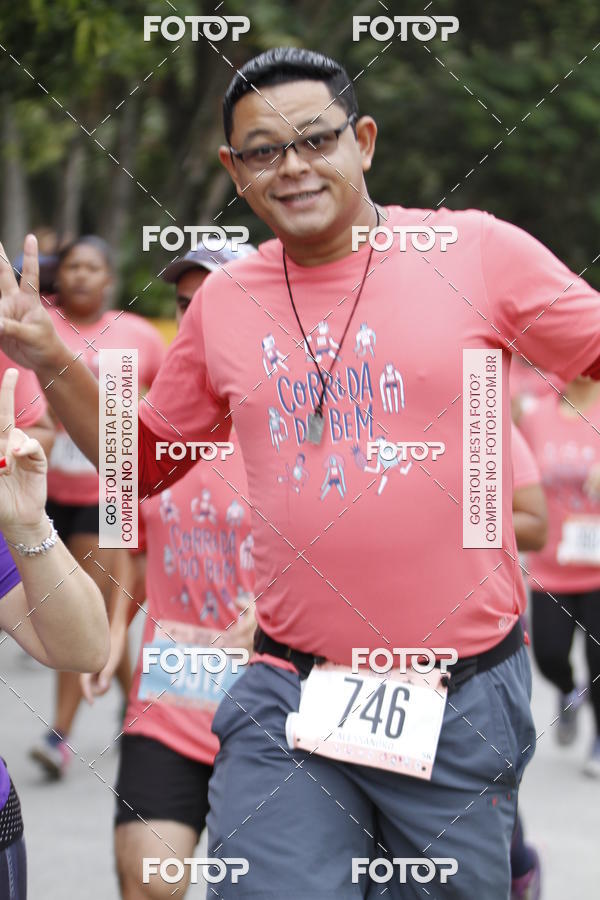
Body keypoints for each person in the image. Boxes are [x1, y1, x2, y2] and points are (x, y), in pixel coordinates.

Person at [4, 46, 600, 897]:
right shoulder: (226, 301)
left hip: (455, 700)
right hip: (289, 690)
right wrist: (48, 352)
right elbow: (140, 461)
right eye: (262, 151)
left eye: (315, 140)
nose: (292, 168)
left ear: (362, 139)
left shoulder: (475, 253)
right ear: (233, 170)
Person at [80, 242, 257, 900]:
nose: (196, 322)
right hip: (170, 702)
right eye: (185, 307)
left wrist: (273, 615)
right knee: (147, 882)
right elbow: (132, 553)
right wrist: (107, 632)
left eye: (215, 304)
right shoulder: (141, 432)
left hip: (276, 709)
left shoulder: (299, 424)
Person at [29, 236, 166, 779]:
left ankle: (58, 733)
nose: (81, 276)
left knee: (78, 607)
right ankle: (132, 706)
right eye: (72, 267)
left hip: (111, 494)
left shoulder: (138, 336)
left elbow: (163, 408)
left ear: (110, 278)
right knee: (104, 617)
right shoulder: (39, 328)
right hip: (43, 495)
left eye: (92, 267)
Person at [0, 366, 109, 899]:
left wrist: (28, 525)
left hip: (62, 498)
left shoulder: (125, 334)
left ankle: (65, 730)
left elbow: (85, 647)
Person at [519, 374, 600, 776]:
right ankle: (570, 691)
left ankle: (598, 740)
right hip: (551, 565)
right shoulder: (538, 416)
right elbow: (518, 474)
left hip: (599, 570)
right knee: (549, 654)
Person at [510, 425, 547, 900]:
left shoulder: (486, 423)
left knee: (485, 783)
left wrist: (454, 511)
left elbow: (537, 525)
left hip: (479, 655)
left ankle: (519, 869)